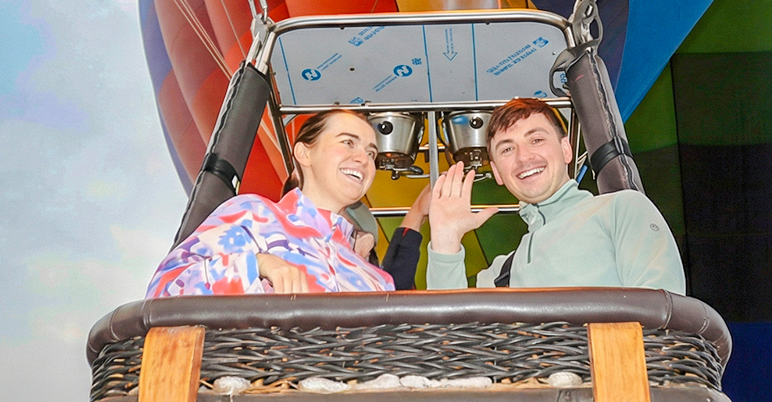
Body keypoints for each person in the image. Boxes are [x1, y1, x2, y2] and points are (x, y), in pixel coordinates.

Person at [424, 97, 687, 294]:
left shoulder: (621, 210)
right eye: (507, 150)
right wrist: (445, 241)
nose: (524, 157)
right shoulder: (500, 274)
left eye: (536, 140)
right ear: (497, 173)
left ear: (566, 150)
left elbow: (663, 313)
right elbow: (449, 342)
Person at [148, 109, 394, 297]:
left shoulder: (377, 280)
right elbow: (164, 290)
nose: (363, 158)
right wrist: (258, 264)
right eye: (348, 142)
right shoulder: (252, 216)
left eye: (372, 153)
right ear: (304, 153)